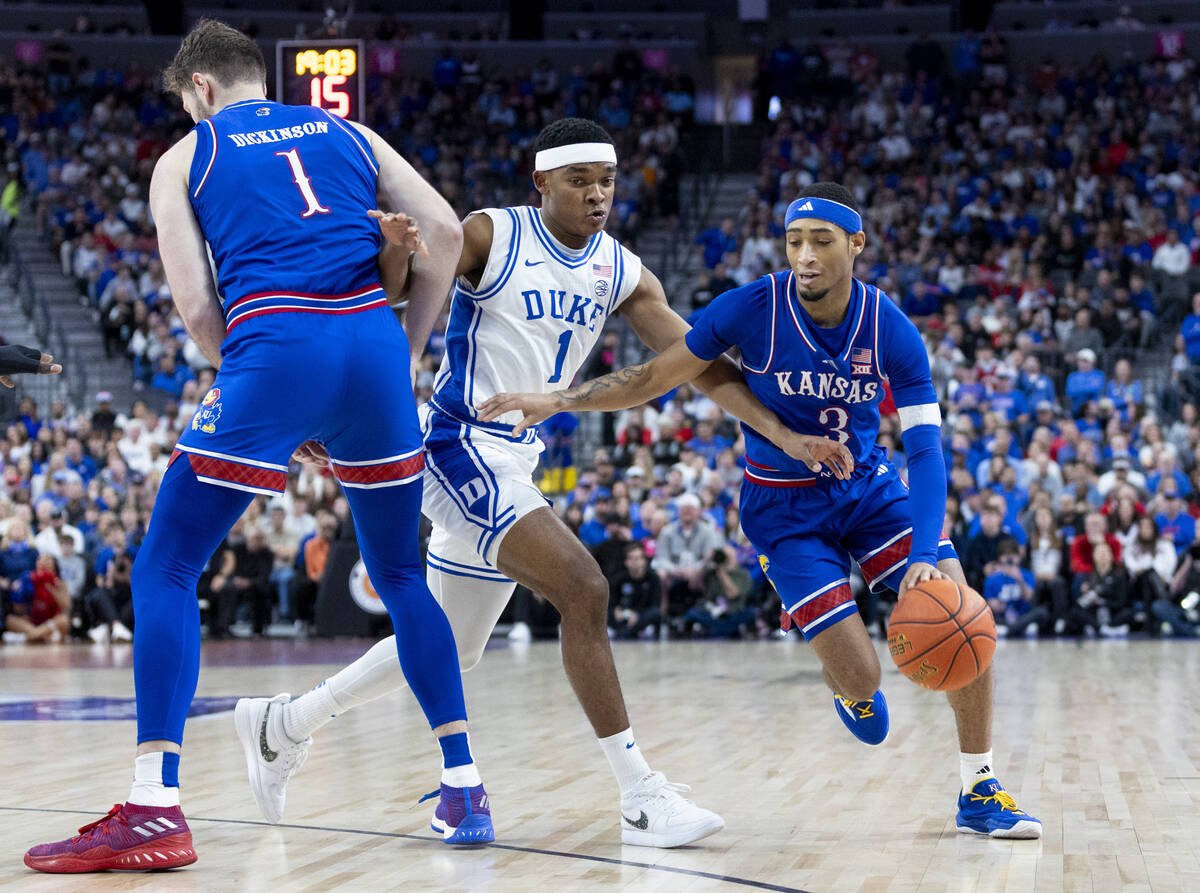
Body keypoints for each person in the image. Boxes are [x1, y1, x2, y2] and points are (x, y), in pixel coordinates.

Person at [258, 118, 813, 848]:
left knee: (451, 647)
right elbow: (388, 305)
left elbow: (693, 361)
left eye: (607, 180)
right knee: (584, 588)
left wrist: (780, 429)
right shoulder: (490, 235)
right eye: (579, 179)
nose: (597, 194)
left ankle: (283, 725)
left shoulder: (620, 269)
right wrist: (390, 264)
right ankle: (640, 796)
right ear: (542, 182)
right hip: (458, 444)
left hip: (514, 453)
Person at [25, 20, 492, 873]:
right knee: (400, 576)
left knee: (165, 566)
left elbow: (201, 312)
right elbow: (448, 236)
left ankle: (155, 806)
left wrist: (274, 398)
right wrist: (404, 354)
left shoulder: (185, 155)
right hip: (375, 348)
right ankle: (463, 785)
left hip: (278, 343)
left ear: (200, 88)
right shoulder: (351, 130)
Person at [480, 183, 1042, 838]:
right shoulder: (752, 308)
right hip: (783, 508)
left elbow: (926, 450)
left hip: (866, 489)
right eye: (794, 241)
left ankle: (980, 784)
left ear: (856, 244)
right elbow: (658, 375)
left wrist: (923, 554)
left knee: (962, 611)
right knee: (863, 678)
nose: (805, 256)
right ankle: (845, 678)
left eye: (821, 241)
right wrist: (562, 400)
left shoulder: (893, 329)